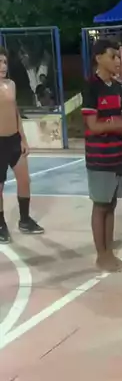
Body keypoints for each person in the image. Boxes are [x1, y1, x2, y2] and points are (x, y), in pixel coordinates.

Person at [81, 39, 122, 272]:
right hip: (99, 157)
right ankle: (101, 256)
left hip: (116, 155)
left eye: (119, 56)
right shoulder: (91, 87)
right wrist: (119, 125)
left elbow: (117, 120)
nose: (118, 61)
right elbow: (93, 125)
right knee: (100, 206)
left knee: (111, 205)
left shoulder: (118, 88)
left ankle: (109, 254)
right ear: (98, 58)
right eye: (113, 56)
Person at [0, 46, 44, 243]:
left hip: (14, 140)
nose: (3, 66)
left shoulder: (11, 84)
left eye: (4, 62)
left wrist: (23, 138)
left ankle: (25, 220)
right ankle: (0, 225)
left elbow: (15, 111)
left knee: (24, 181)